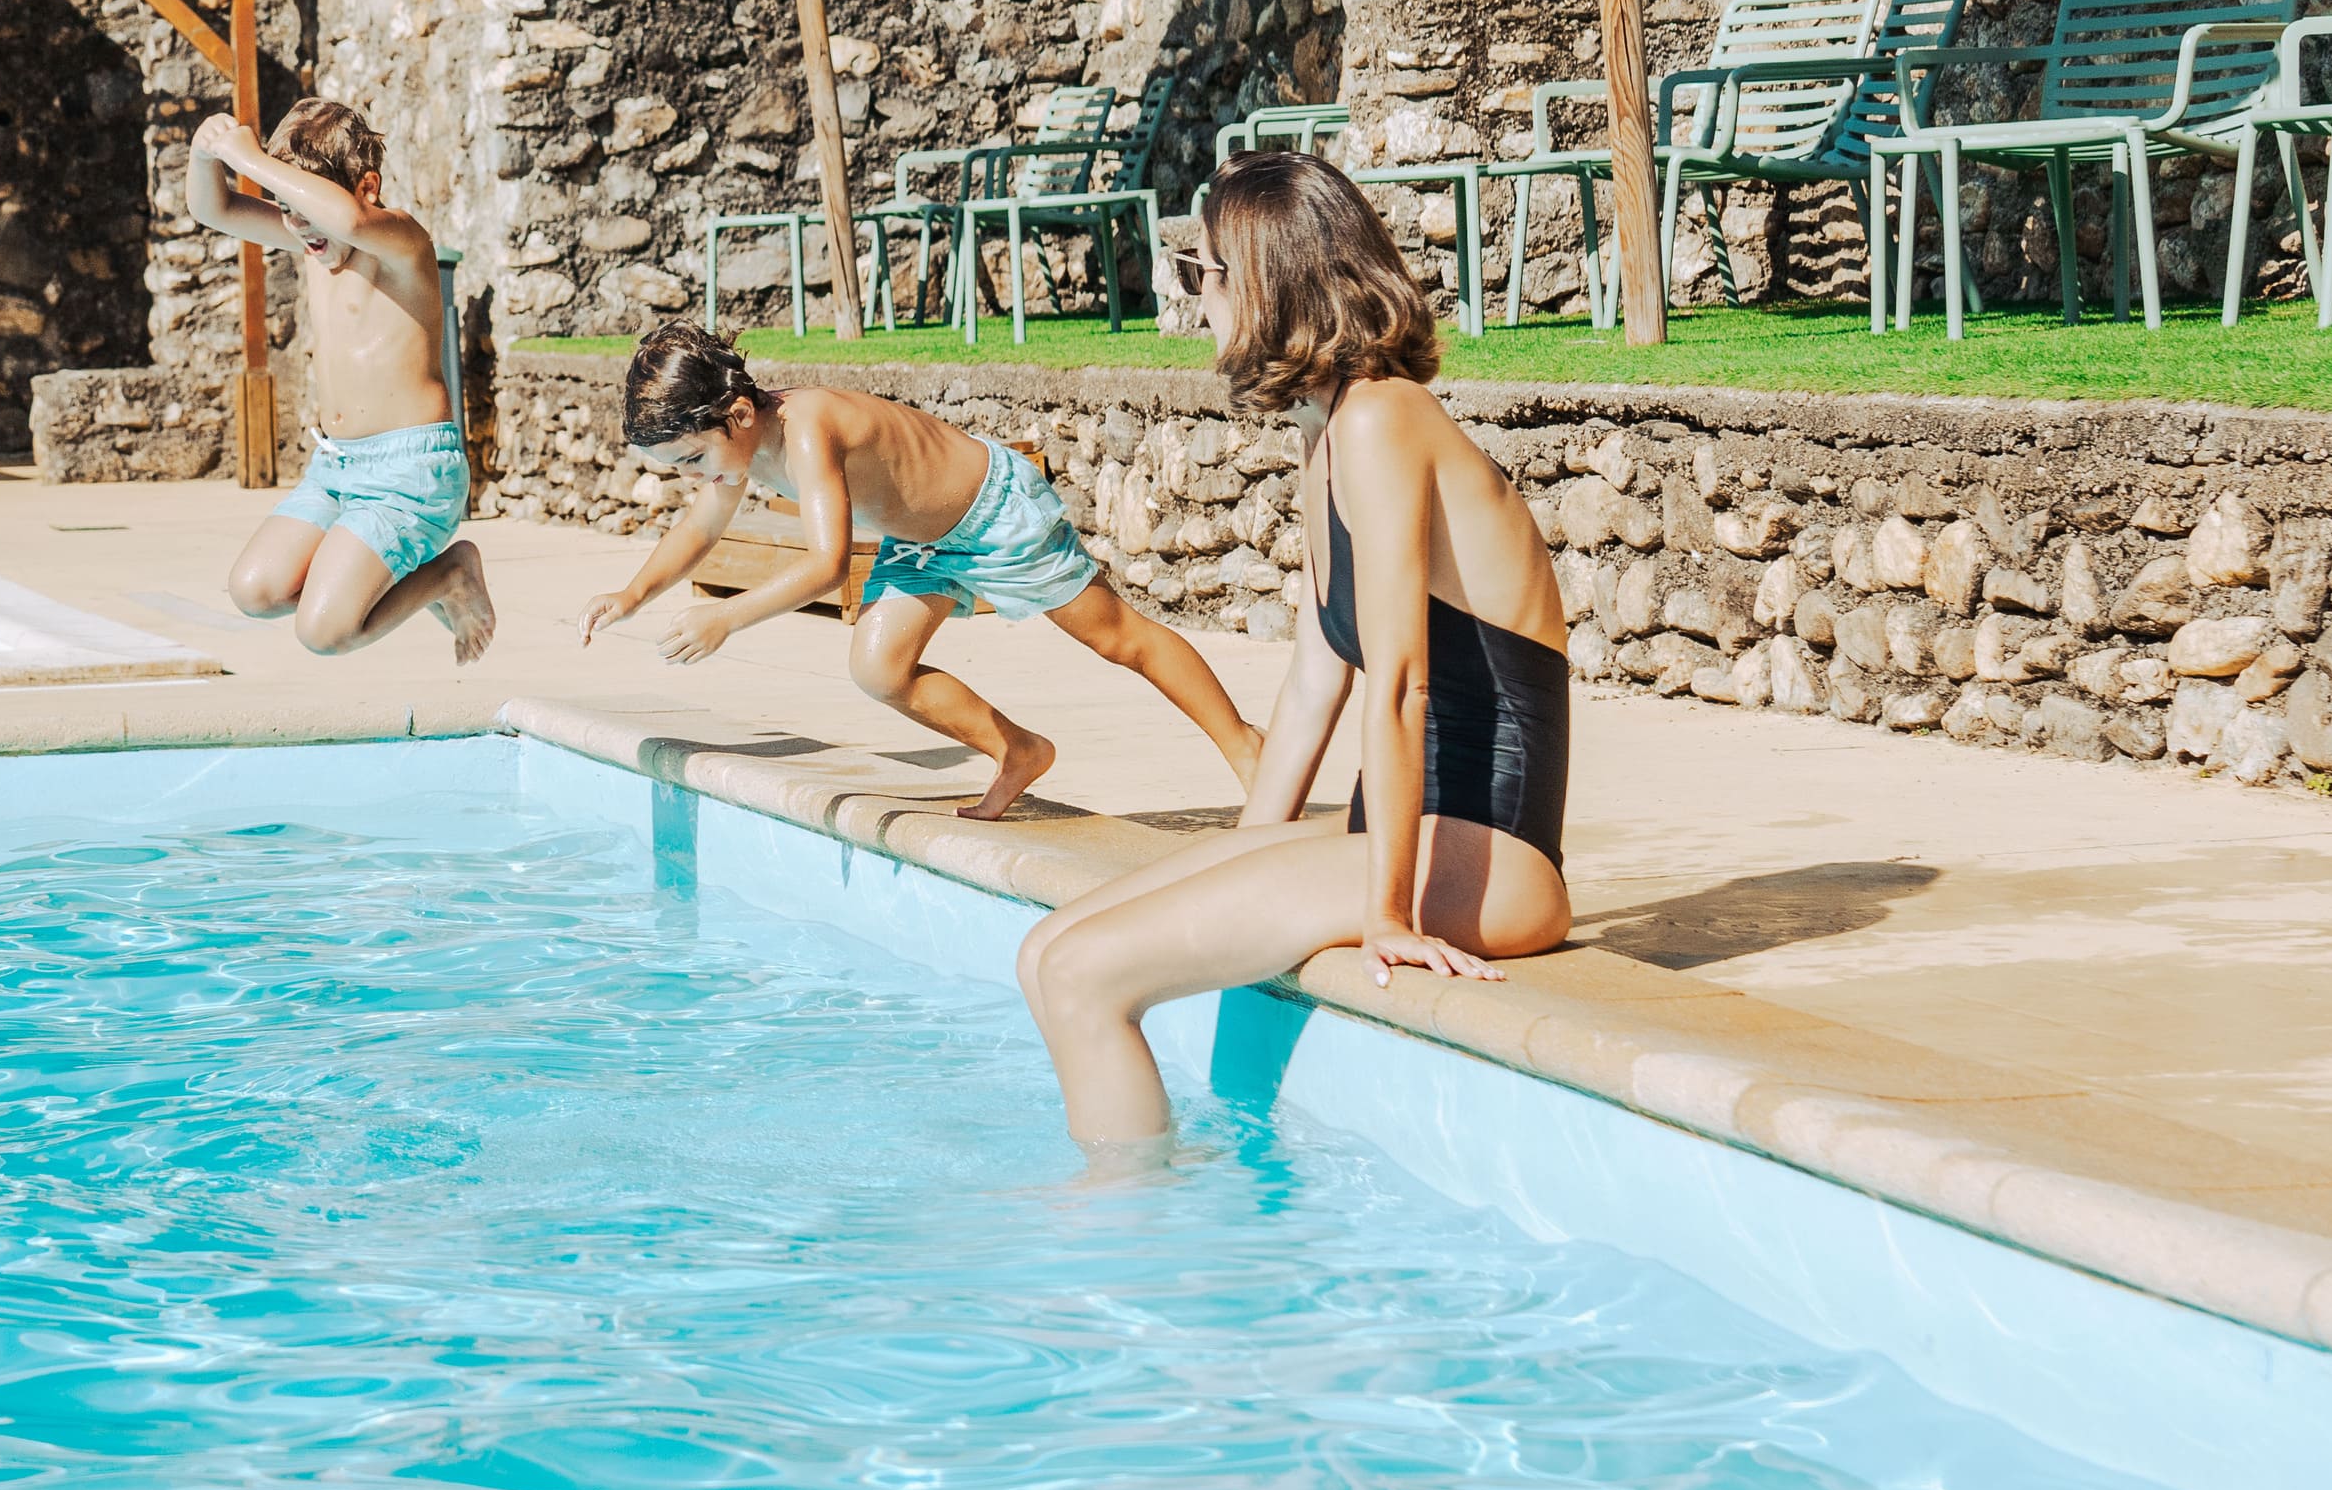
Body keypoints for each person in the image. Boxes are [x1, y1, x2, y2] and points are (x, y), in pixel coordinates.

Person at [1013, 151, 1574, 1142]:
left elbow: (1398, 685)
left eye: (1200, 270)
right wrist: (1247, 848)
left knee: (1081, 978)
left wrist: (1386, 913)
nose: (1192, 295)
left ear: (1261, 282)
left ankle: (1125, 1218)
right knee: (1047, 948)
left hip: (1494, 855)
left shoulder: (1382, 419)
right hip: (1408, 836)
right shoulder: (1327, 427)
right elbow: (1318, 677)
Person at [581, 324, 1267, 821]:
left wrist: (726, 616)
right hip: (922, 540)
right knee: (880, 668)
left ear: (736, 414)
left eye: (692, 459)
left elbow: (827, 564)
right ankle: (1018, 750)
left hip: (991, 510)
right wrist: (631, 593)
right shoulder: (736, 450)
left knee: (1118, 638)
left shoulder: (805, 429)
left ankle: (1245, 747)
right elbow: (698, 528)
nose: (694, 477)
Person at [188, 98, 496, 661]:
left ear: (367, 187)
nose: (298, 223)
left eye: (305, 207)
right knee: (255, 590)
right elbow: (216, 209)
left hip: (410, 473)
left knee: (324, 631)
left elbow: (348, 220)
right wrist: (206, 152)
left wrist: (248, 158)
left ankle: (450, 574)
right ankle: (405, 574)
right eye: (285, 209)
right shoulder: (310, 238)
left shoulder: (402, 244)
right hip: (336, 467)